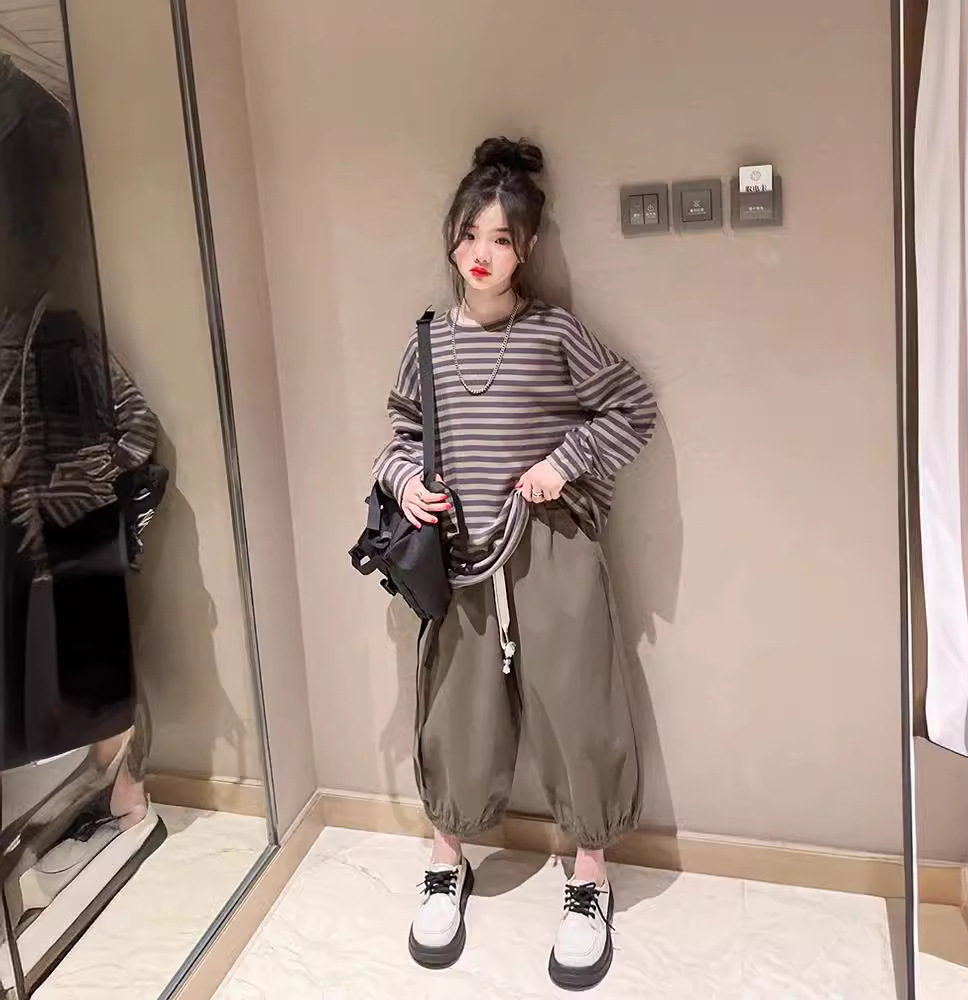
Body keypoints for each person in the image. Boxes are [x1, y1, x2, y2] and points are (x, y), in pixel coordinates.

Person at [373, 136, 656, 990]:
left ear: (526, 247)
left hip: (551, 545)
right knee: (456, 709)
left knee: (576, 701)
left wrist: (563, 463)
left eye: (499, 238)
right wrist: (406, 482)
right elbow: (398, 437)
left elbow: (631, 409)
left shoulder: (554, 332)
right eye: (469, 235)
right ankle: (447, 859)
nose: (481, 254)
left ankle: (590, 873)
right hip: (459, 554)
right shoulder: (427, 341)